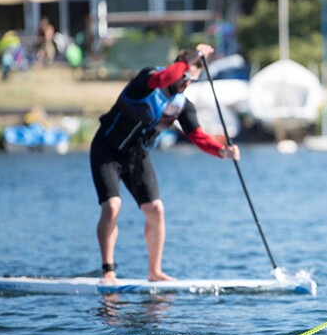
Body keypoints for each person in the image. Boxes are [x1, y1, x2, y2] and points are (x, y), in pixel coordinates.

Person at [90, 43, 239, 284]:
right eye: (186, 77)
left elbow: (198, 137)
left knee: (156, 210)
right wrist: (193, 57)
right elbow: (164, 78)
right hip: (107, 149)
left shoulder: (182, 106)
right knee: (113, 207)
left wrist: (223, 151)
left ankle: (155, 272)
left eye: (193, 80)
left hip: (137, 157)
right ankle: (108, 270)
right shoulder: (148, 79)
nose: (186, 83)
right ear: (178, 68)